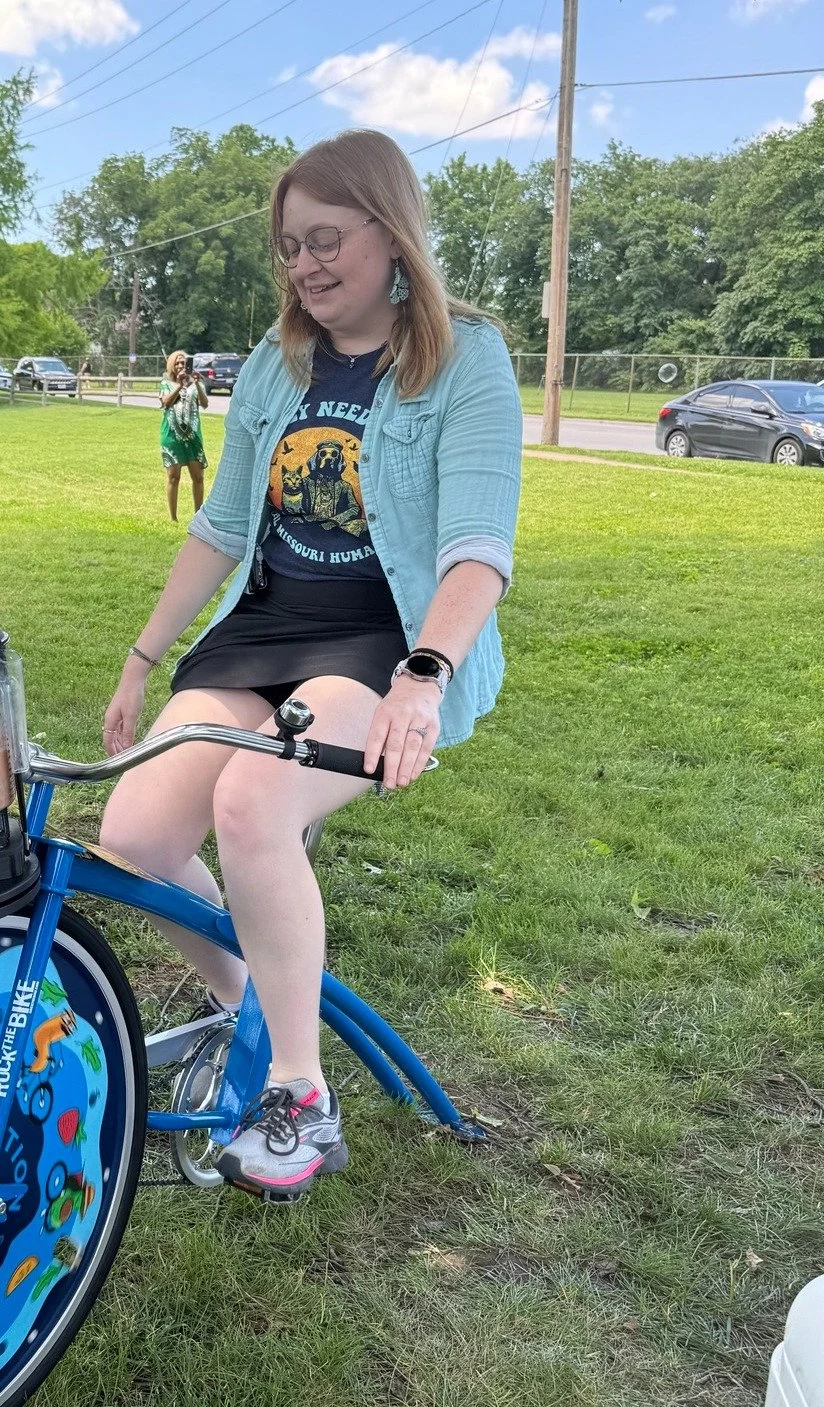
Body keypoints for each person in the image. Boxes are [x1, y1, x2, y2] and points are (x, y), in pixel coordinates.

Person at [101, 129, 521, 1200]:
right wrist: (146, 657)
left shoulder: (465, 356)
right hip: (264, 630)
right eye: (290, 247)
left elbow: (479, 547)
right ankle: (252, 998)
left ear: (393, 232)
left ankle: (298, 1091)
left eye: (325, 239)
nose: (305, 265)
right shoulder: (270, 365)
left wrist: (422, 678)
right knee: (135, 835)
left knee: (252, 802)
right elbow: (224, 527)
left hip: (382, 642)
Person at [158, 350, 208, 522]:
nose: (180, 366)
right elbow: (165, 402)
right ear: (171, 365)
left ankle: (198, 516)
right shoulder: (166, 383)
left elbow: (205, 404)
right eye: (177, 363)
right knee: (173, 477)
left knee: (198, 477)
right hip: (172, 436)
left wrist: (197, 383)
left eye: (183, 363)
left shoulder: (194, 384)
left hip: (193, 437)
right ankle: (173, 518)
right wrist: (179, 385)